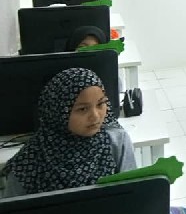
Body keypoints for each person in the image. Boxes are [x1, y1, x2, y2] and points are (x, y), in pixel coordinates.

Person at [1, 67, 136, 197]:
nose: (95, 116)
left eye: (100, 104)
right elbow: (14, 210)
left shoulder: (116, 141)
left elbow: (132, 192)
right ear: (58, 113)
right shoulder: (29, 161)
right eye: (82, 109)